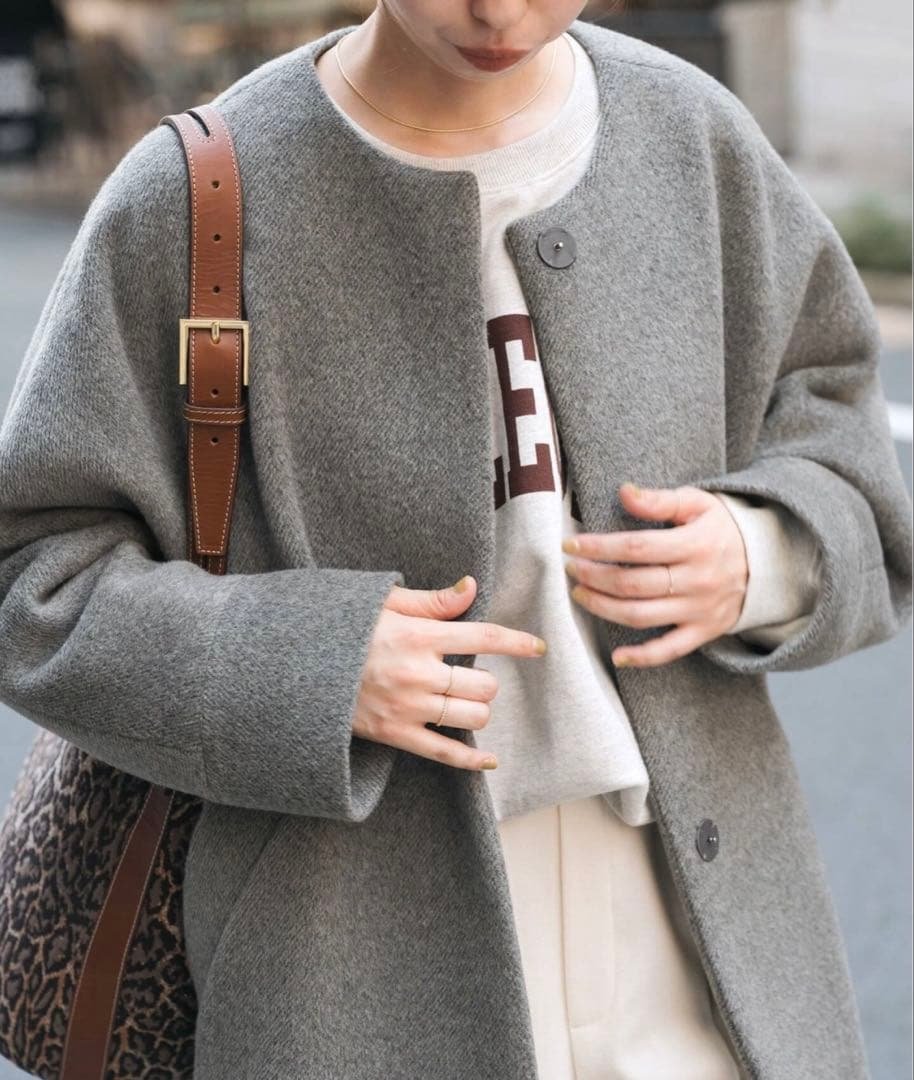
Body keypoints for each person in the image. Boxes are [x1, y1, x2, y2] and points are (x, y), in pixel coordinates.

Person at [0, 3, 910, 1078]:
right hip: (341, 960)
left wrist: (761, 554)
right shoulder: (197, 193)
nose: (498, 10)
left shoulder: (689, 136)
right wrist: (309, 665)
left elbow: (838, 424)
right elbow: (33, 571)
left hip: (697, 934)